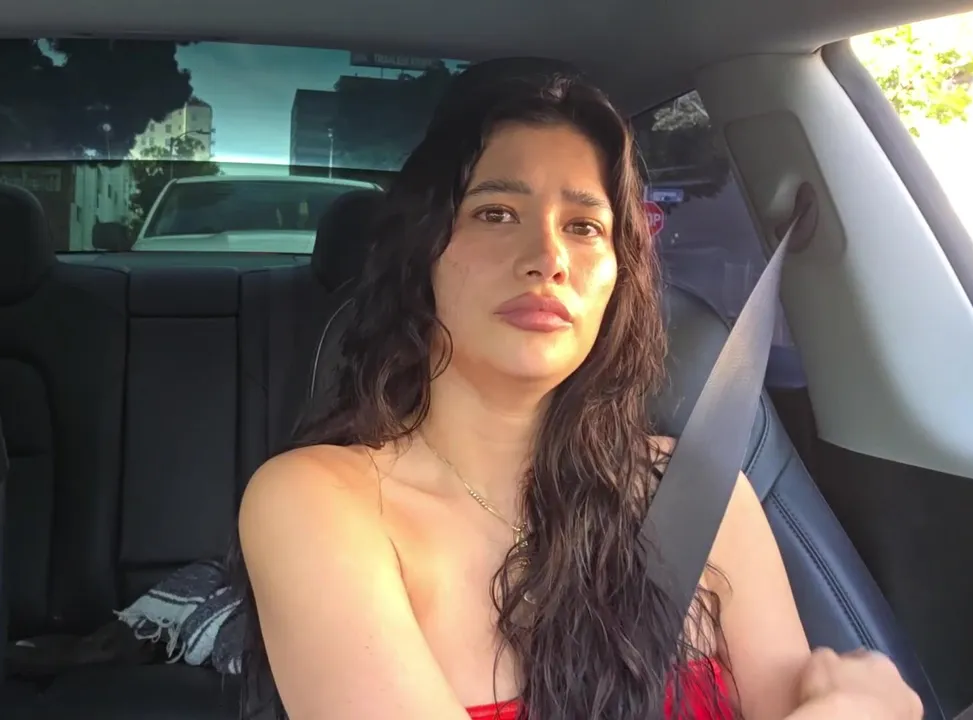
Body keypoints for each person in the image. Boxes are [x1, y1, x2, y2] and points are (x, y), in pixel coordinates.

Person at [234, 58, 920, 720]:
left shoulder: (702, 491)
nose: (548, 258)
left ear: (618, 275)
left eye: (584, 226)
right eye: (496, 213)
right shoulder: (321, 504)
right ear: (423, 252)